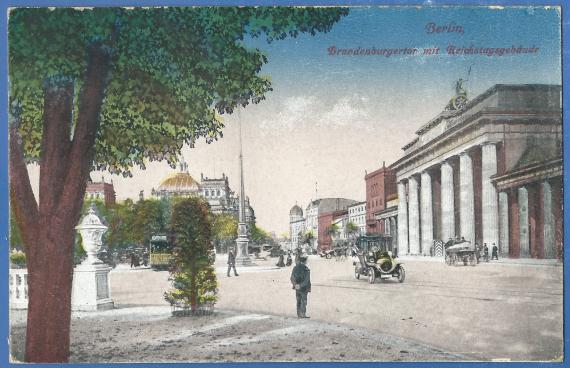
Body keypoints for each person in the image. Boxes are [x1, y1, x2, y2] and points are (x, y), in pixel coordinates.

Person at [290, 253, 311, 318]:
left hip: (297, 288)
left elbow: (292, 277)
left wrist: (295, 285)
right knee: (303, 301)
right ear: (305, 261)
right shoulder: (306, 269)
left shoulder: (295, 267)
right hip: (304, 288)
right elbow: (307, 280)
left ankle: (299, 314)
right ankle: (302, 314)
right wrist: (301, 285)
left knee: (298, 300)